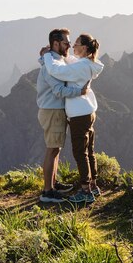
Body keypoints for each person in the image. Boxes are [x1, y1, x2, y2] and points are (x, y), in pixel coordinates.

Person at [43, 33, 104, 203]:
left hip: (79, 115)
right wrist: (57, 55)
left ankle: (85, 191)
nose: (72, 47)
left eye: (75, 44)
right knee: (89, 151)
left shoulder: (81, 66)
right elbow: (70, 62)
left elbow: (57, 70)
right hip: (88, 112)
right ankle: (93, 185)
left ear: (84, 48)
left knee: (80, 152)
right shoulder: (86, 63)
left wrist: (46, 56)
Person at [37, 28, 89, 203]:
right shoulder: (50, 64)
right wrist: (80, 92)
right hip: (52, 111)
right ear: (56, 43)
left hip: (55, 110)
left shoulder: (54, 59)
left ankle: (53, 184)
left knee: (56, 148)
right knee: (52, 149)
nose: (69, 45)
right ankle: (47, 192)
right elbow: (59, 90)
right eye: (66, 42)